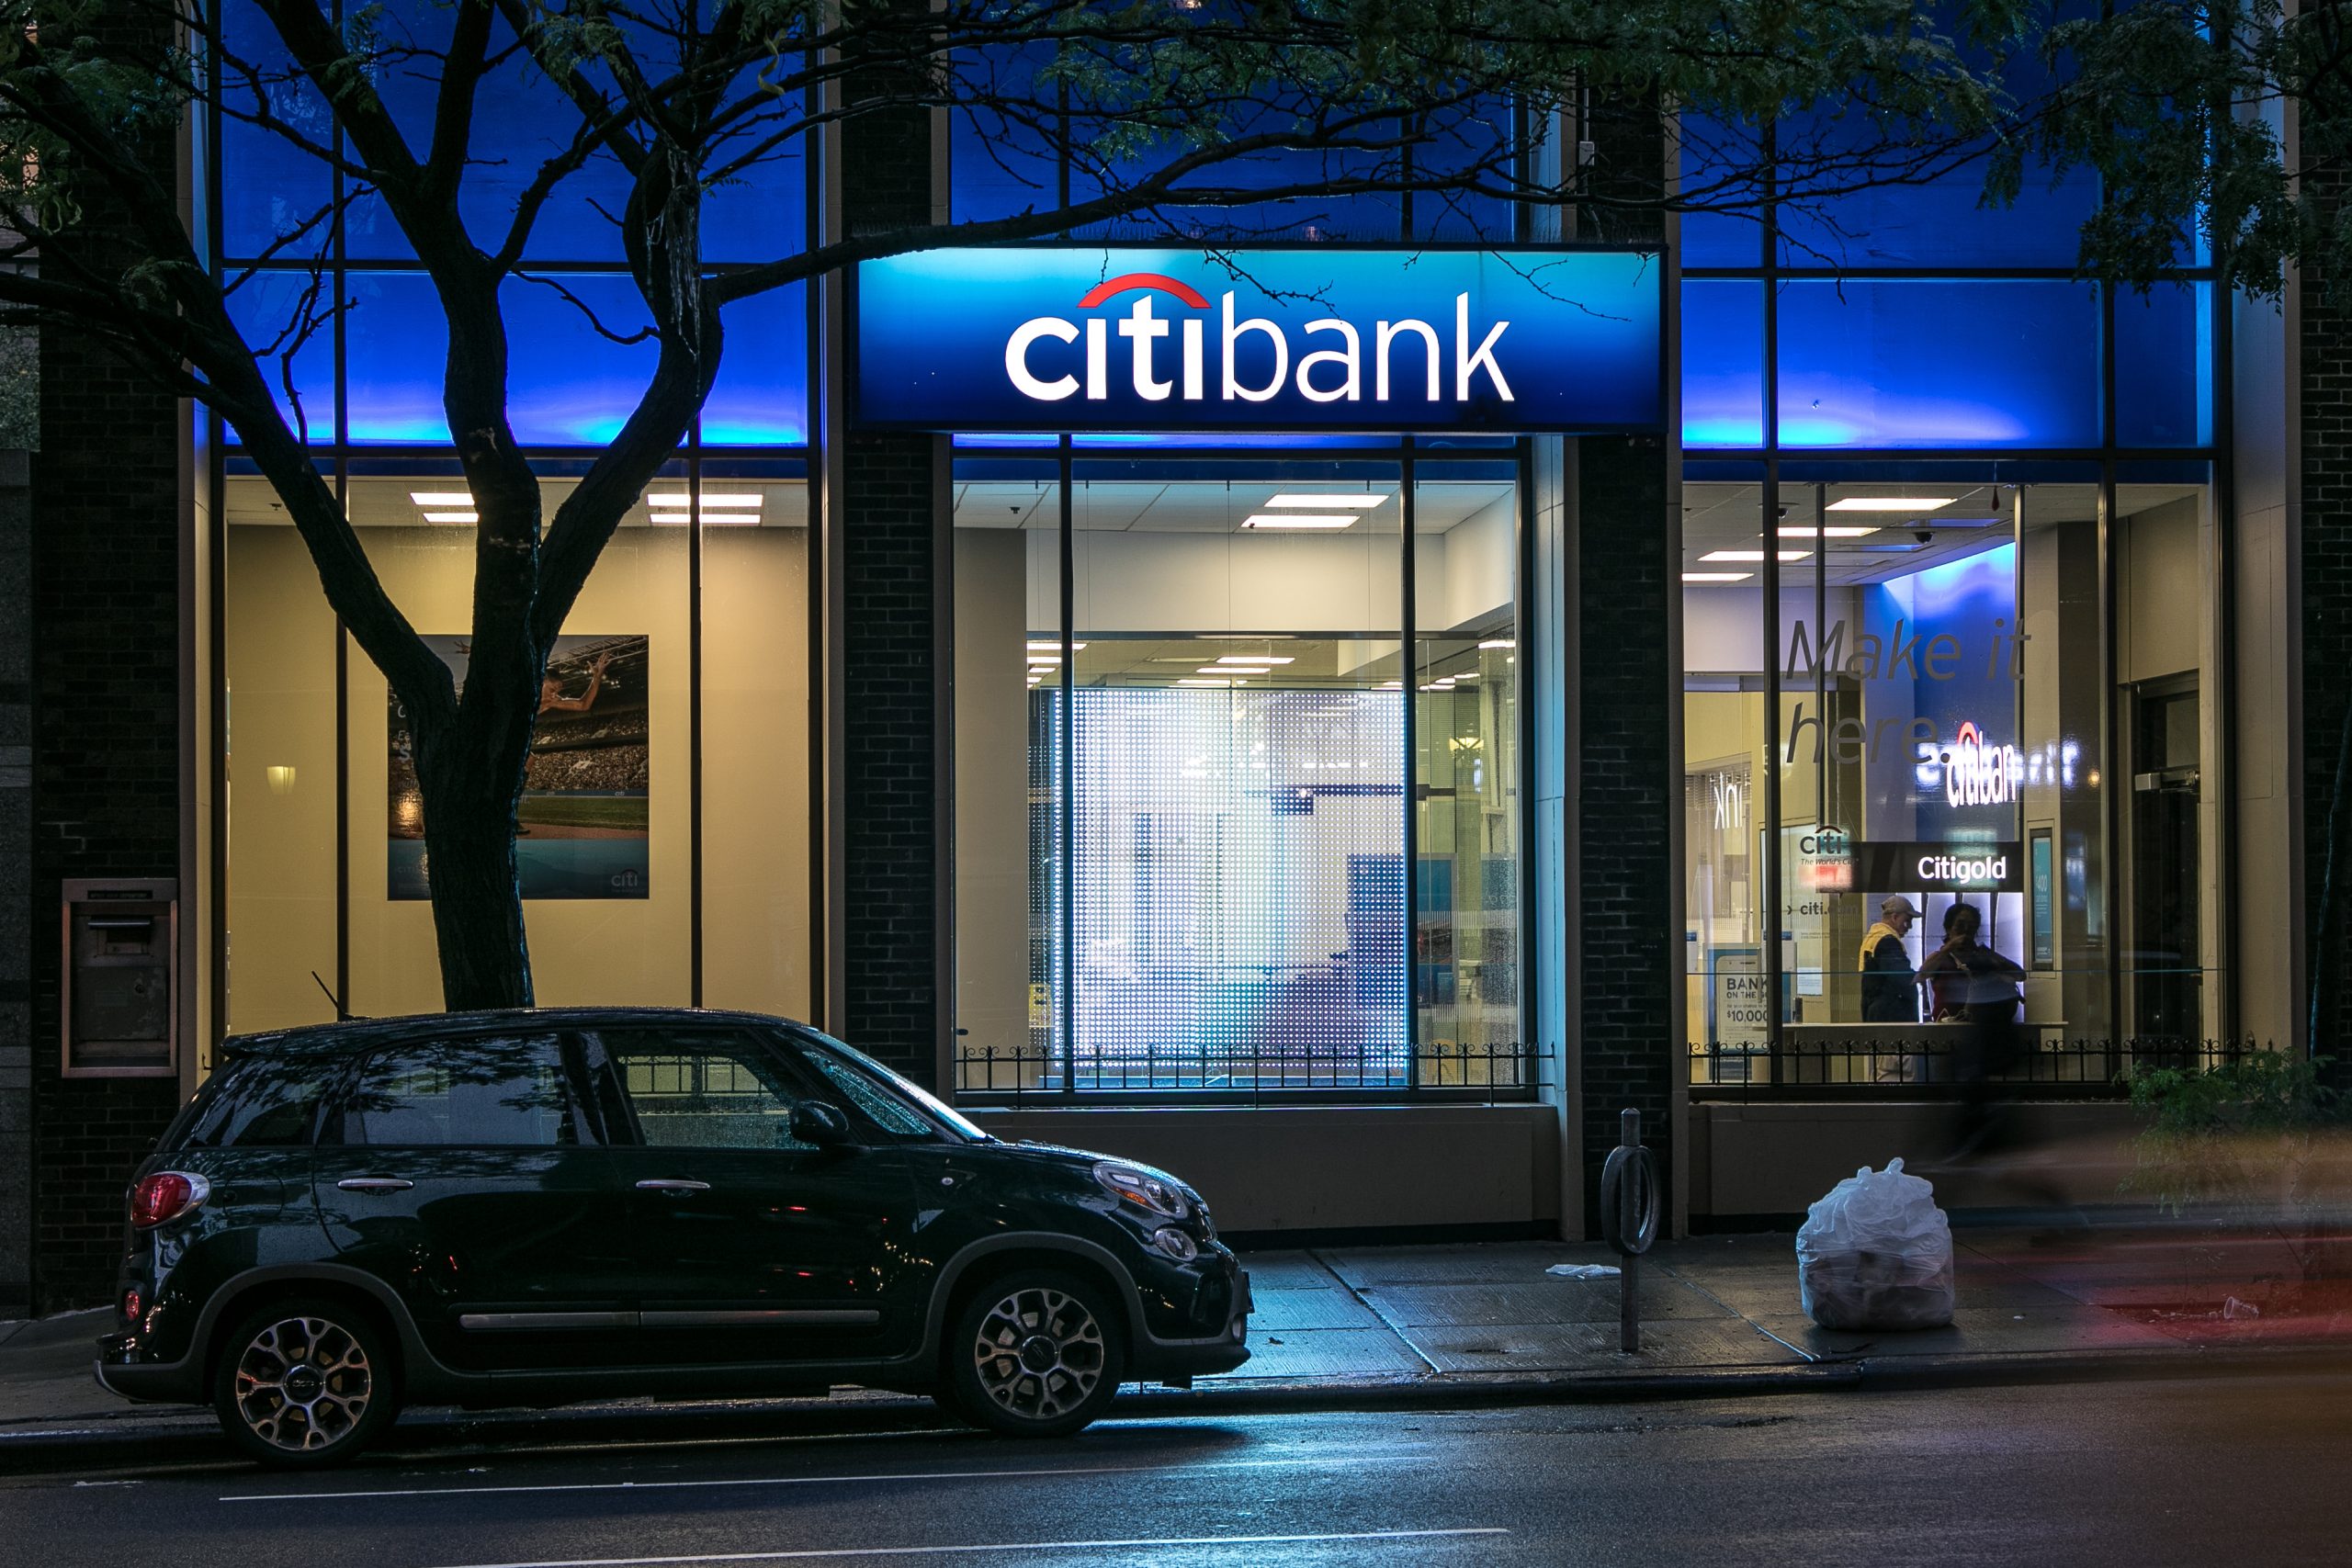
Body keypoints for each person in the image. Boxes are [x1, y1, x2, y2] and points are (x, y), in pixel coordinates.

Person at [1917, 900, 2028, 1156]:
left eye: (1971, 927)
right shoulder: (1941, 957)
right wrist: (1948, 949)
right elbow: (1921, 975)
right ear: (1949, 927)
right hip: (1947, 1033)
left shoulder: (1982, 956)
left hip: (1976, 1035)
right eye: (1960, 926)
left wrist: (1991, 962)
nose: (1966, 932)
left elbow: (2019, 973)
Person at [1859, 895, 1921, 1024]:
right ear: (1894, 917)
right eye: (1907, 921)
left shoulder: (1874, 936)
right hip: (1891, 1014)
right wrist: (1920, 976)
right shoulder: (1888, 941)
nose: (1909, 926)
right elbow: (1902, 978)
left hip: (1876, 1010)